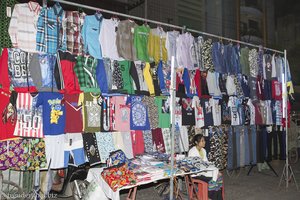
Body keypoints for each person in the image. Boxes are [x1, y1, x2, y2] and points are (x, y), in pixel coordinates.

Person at [188, 134, 223, 200]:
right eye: (202, 141)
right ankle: (211, 197)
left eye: (204, 140)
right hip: (196, 173)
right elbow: (194, 166)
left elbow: (206, 162)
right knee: (213, 180)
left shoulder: (203, 150)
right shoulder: (192, 151)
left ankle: (216, 197)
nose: (204, 142)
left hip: (203, 171)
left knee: (218, 177)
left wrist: (216, 171)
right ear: (196, 142)